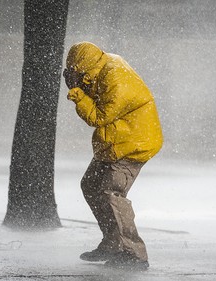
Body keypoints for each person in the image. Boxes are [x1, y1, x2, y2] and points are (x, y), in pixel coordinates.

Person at [63, 42, 163, 270]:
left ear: (84, 68)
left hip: (134, 143)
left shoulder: (115, 79)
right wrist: (83, 85)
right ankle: (112, 242)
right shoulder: (100, 69)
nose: (74, 77)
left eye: (76, 72)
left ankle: (135, 254)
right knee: (90, 184)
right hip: (116, 140)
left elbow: (99, 117)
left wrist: (78, 94)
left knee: (112, 193)